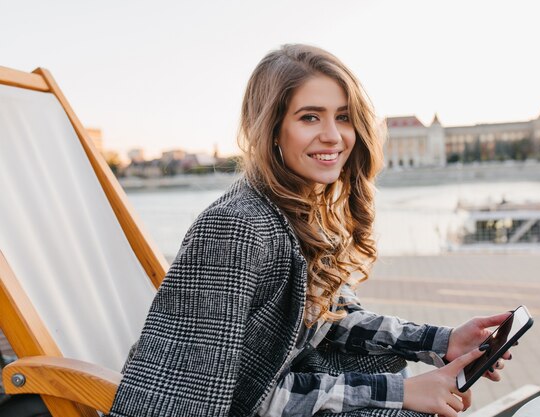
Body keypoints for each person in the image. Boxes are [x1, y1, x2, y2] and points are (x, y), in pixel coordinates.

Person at [108, 44, 513, 417]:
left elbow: (330, 320)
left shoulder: (301, 208)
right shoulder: (236, 228)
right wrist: (401, 391)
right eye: (309, 117)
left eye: (343, 117)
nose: (333, 136)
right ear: (270, 129)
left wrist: (441, 342)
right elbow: (231, 397)